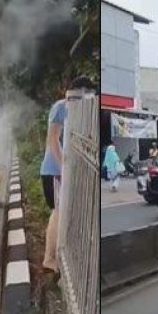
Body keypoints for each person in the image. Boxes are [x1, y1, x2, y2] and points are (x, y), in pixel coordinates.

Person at [40, 75, 96, 275]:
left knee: (65, 213)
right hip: (54, 171)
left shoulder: (82, 112)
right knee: (58, 212)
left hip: (68, 171)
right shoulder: (61, 107)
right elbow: (53, 140)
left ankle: (62, 252)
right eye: (87, 93)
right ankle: (49, 259)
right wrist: (63, 167)